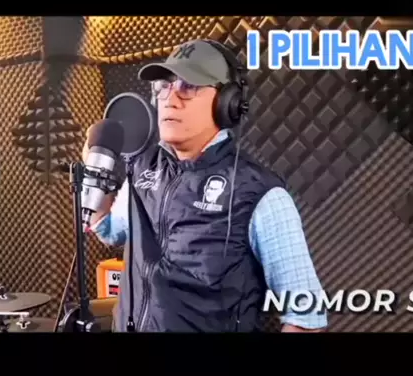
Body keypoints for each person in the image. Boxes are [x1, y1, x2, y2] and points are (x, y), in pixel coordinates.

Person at [83, 39, 327, 332]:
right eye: (164, 86)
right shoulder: (143, 168)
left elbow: (307, 317)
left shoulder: (261, 194)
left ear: (227, 102)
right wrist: (97, 175)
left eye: (188, 86)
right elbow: (108, 230)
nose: (170, 99)